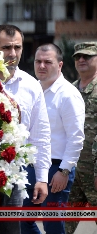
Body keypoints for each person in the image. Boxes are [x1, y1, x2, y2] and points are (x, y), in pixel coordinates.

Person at [0, 24, 51, 234]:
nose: (13, 54)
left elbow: (40, 134)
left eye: (18, 47)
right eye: (6, 48)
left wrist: (41, 177)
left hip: (14, 176)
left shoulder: (31, 86)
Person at [21, 44, 85, 234]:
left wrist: (64, 171)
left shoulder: (68, 95)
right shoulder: (33, 89)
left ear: (60, 65)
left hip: (56, 169)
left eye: (47, 62)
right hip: (31, 166)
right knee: (22, 221)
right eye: (38, 61)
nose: (42, 65)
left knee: (53, 225)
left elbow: (76, 138)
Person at [66, 41, 97, 234]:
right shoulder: (69, 90)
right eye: (78, 56)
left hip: (93, 172)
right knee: (62, 225)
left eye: (87, 56)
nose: (81, 60)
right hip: (70, 171)